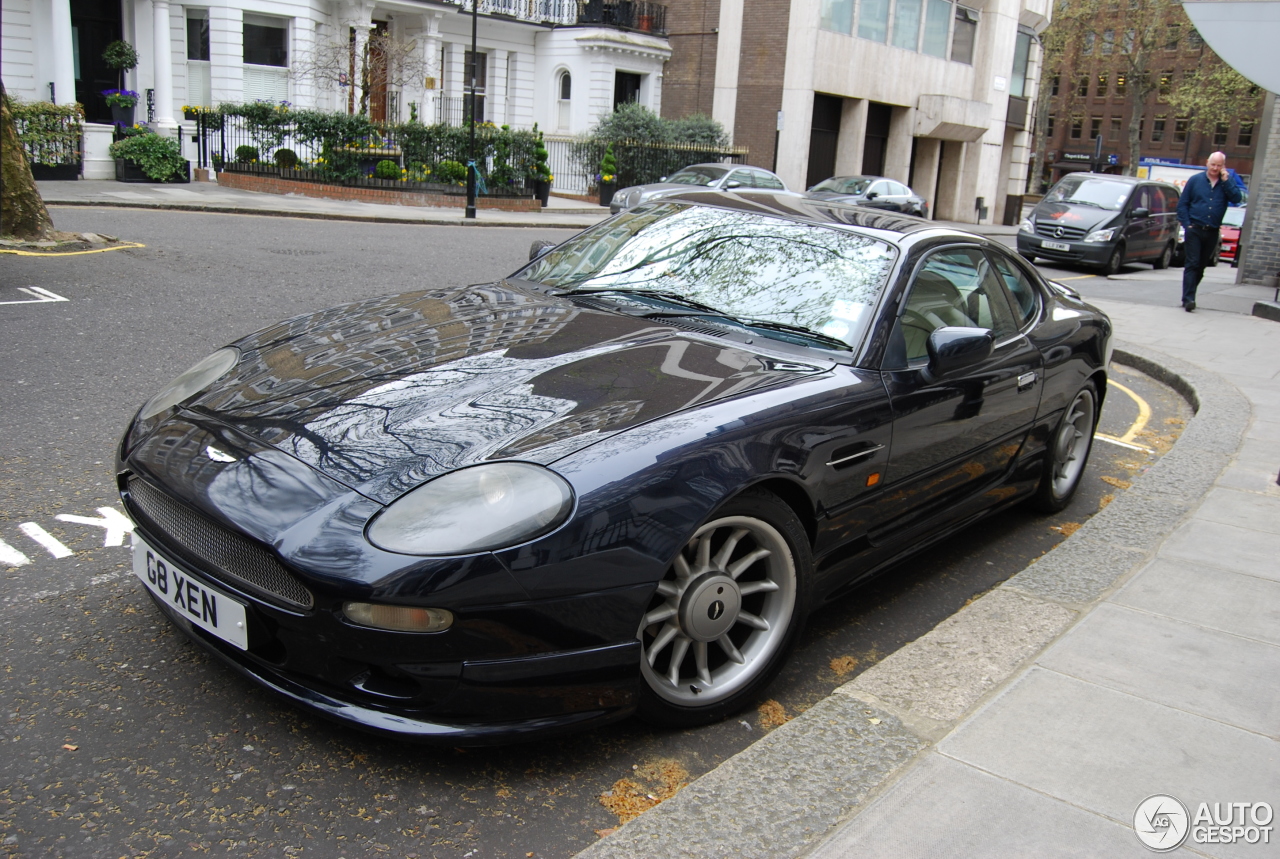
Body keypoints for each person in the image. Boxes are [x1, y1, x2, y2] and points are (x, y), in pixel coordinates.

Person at [1175, 152, 1243, 311]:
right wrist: (1187, 225)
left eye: (1219, 165)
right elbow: (1183, 204)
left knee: (1201, 266)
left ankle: (1190, 293)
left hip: (1212, 230)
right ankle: (1189, 299)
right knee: (1192, 263)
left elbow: (1237, 198)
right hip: (1195, 228)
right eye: (1213, 164)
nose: (1215, 168)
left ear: (1223, 166)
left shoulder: (1227, 183)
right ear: (1207, 163)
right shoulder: (1195, 180)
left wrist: (1226, 181)